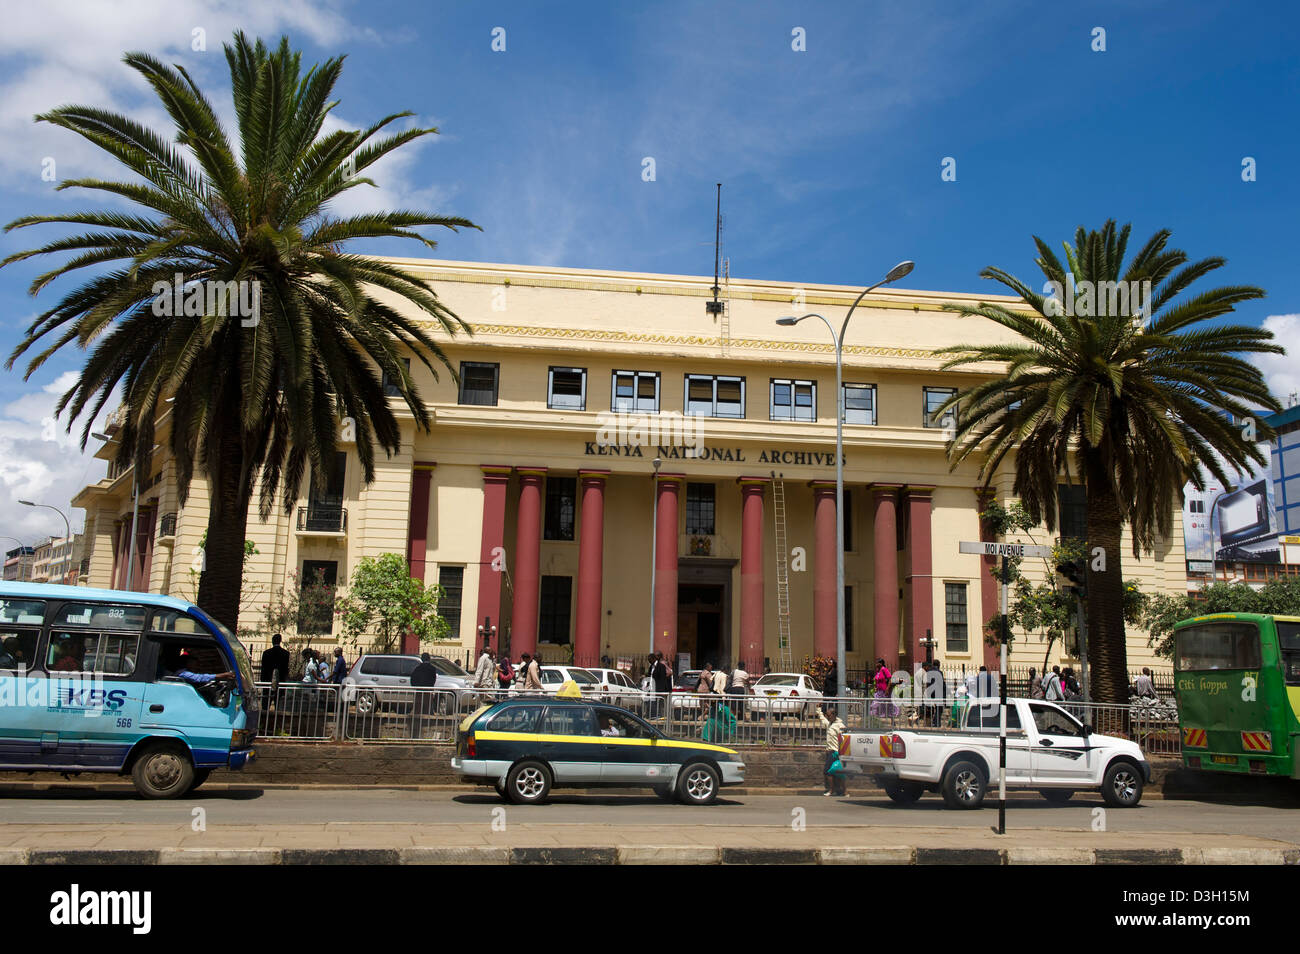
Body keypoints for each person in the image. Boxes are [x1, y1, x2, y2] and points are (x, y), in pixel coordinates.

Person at [816, 705, 847, 796]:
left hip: (835, 752)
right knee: (837, 772)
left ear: (834, 715)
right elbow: (823, 719)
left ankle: (832, 790)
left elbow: (844, 739)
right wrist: (819, 710)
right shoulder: (830, 724)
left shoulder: (840, 726)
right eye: (827, 715)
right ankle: (843, 791)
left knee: (828, 771)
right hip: (830, 752)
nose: (827, 717)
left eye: (829, 715)